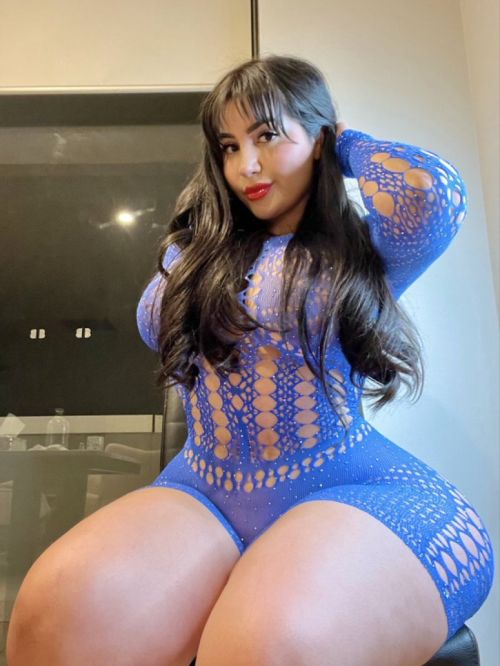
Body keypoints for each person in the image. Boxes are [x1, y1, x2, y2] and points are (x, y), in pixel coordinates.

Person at [7, 55, 495, 666]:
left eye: (267, 136)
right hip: (203, 489)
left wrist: (343, 143)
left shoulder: (360, 250)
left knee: (268, 644)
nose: (247, 167)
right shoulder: (195, 253)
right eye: (229, 146)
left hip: (355, 484)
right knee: (53, 614)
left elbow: (430, 193)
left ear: (318, 137)